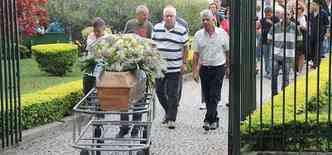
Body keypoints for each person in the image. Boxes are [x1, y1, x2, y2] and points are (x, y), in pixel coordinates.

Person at [116, 5, 153, 138]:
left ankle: (136, 127)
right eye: (144, 14)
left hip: (142, 67)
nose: (146, 17)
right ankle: (124, 127)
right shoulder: (130, 24)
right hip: (127, 66)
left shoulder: (149, 26)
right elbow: (123, 41)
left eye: (147, 14)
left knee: (139, 97)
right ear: (137, 15)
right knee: (124, 97)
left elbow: (151, 43)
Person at [152, 5, 189, 129]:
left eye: (171, 16)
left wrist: (184, 63)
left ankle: (171, 119)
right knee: (159, 91)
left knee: (172, 94)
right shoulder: (157, 28)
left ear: (175, 17)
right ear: (163, 17)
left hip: (174, 67)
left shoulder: (181, 30)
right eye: (166, 16)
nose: (168, 18)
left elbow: (185, 47)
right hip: (160, 67)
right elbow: (153, 46)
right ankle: (169, 112)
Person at [192, 9, 229, 131]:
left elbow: (228, 52)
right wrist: (195, 71)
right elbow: (196, 55)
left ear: (213, 20)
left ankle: (208, 120)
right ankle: (214, 119)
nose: (205, 22)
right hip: (205, 68)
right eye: (203, 20)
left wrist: (228, 67)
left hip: (218, 67)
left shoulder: (222, 34)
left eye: (207, 19)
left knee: (214, 94)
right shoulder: (198, 35)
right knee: (207, 95)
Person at [267, 9, 302, 95]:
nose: (285, 16)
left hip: (288, 56)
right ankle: (274, 94)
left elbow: (300, 40)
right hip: (276, 55)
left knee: (285, 77)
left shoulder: (295, 27)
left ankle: (283, 96)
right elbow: (269, 39)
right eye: (283, 14)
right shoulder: (275, 26)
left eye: (287, 14)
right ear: (280, 16)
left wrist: (291, 47)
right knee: (274, 76)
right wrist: (278, 44)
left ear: (290, 16)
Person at [83, 17, 108, 95]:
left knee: (99, 83)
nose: (96, 33)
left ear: (104, 29)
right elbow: (90, 47)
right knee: (87, 82)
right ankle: (88, 100)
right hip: (91, 65)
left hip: (103, 65)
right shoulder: (91, 36)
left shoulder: (108, 37)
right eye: (95, 31)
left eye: (98, 31)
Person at [260, 6, 280, 79]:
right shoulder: (262, 20)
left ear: (271, 12)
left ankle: (271, 73)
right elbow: (261, 29)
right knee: (266, 57)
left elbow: (278, 28)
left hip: (273, 41)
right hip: (264, 40)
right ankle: (267, 71)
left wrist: (271, 23)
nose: (267, 15)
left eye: (269, 13)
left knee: (271, 57)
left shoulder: (276, 19)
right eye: (266, 13)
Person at [308, 2, 329, 68]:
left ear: (318, 5)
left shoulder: (324, 13)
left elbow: (327, 24)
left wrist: (327, 33)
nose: (312, 6)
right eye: (312, 4)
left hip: (320, 34)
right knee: (312, 49)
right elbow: (309, 23)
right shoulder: (311, 13)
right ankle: (314, 62)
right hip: (312, 35)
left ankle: (316, 65)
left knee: (318, 49)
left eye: (313, 5)